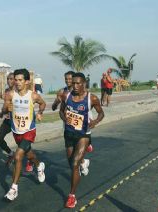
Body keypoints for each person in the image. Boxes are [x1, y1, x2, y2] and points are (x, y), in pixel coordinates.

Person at [59, 72, 104, 208]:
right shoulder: (66, 96)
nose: (75, 86)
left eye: (78, 83)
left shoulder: (92, 98)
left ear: (84, 83)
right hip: (69, 134)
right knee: (72, 165)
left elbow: (101, 113)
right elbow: (61, 111)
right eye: (73, 83)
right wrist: (64, 118)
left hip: (84, 135)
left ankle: (72, 195)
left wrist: (95, 121)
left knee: (74, 164)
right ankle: (83, 163)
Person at [2, 69, 47, 201]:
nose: (17, 82)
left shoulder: (33, 96)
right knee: (29, 154)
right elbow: (4, 109)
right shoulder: (10, 94)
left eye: (20, 80)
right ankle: (39, 165)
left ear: (27, 81)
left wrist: (40, 113)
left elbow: (43, 103)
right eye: (16, 80)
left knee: (18, 156)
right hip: (16, 131)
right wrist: (7, 108)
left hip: (29, 130)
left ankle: (14, 188)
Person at [0, 73, 16, 166]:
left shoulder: (19, 91)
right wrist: (2, 112)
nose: (9, 81)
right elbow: (5, 106)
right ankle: (11, 154)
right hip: (8, 120)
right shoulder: (6, 91)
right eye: (8, 79)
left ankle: (30, 161)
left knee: (22, 143)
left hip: (18, 121)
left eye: (11, 79)